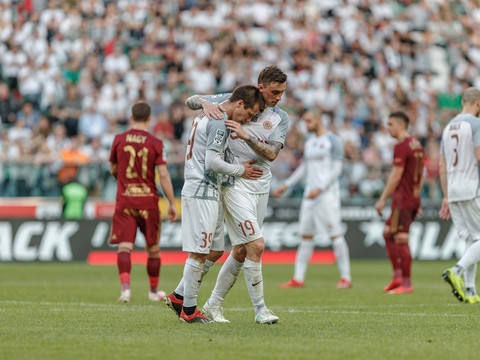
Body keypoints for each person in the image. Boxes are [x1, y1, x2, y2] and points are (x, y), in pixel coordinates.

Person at [167, 66, 289, 324]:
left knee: (228, 250)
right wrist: (203, 102)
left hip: (258, 183)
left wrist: (247, 138)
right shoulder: (229, 102)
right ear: (260, 88)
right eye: (275, 92)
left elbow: (271, 154)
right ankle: (258, 309)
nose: (278, 98)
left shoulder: (280, 118)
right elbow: (191, 101)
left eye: (282, 93)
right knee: (251, 245)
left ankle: (190, 298)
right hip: (229, 182)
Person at [273, 109, 352, 289]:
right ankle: (298, 278)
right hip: (309, 196)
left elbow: (337, 169)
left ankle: (346, 277)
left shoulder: (333, 140)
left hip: (327, 196)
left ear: (318, 120)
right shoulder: (309, 141)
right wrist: (286, 185)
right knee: (306, 236)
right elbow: (304, 168)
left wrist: (320, 188)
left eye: (309, 121)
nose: (306, 125)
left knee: (336, 235)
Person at [109, 101, 178, 303]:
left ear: (131, 118)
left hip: (126, 200)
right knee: (153, 248)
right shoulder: (156, 143)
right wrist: (172, 202)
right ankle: (153, 291)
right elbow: (164, 175)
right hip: (148, 201)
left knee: (124, 247)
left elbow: (113, 170)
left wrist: (122, 182)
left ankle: (125, 290)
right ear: (149, 118)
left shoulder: (119, 139)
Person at [374, 111, 424, 294]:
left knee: (401, 239)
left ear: (401, 125)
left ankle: (406, 283)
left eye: (390, 124)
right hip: (412, 197)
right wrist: (418, 200)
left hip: (402, 199)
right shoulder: (417, 144)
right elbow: (419, 173)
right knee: (388, 234)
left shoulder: (402, 145)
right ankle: (397, 277)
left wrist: (382, 199)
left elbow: (396, 176)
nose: (388, 128)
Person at [439, 87, 480, 304]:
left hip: (453, 189)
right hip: (471, 187)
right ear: (478, 104)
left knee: (473, 239)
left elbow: (442, 165)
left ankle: (471, 291)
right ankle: (457, 270)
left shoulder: (447, 128)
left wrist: (446, 195)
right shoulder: (476, 124)